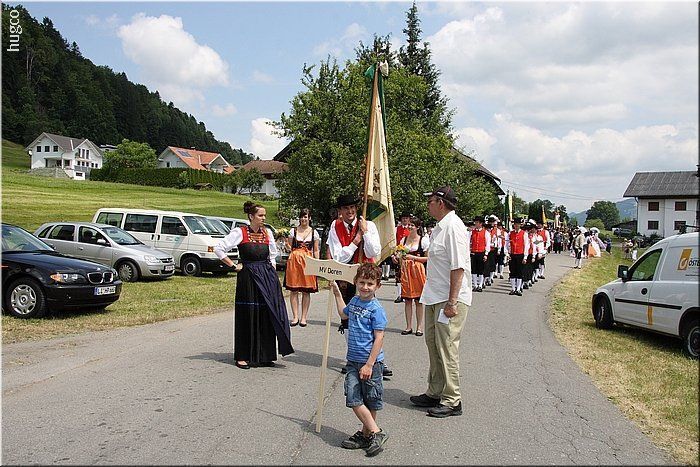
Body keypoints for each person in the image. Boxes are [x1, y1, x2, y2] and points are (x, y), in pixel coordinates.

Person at [410, 186, 471, 418]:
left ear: (441, 203)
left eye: (431, 201)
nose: (428, 205)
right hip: (435, 295)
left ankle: (452, 399)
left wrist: (452, 302)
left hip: (449, 298)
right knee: (433, 344)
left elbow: (458, 267)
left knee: (447, 347)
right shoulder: (440, 227)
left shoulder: (453, 227)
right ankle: (435, 391)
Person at [214, 201, 294, 369]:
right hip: (248, 277)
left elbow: (272, 255)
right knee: (247, 314)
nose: (263, 218)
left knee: (266, 314)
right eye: (260, 215)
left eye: (264, 215)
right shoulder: (240, 232)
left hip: (266, 277)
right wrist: (233, 266)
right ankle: (243, 356)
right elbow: (218, 248)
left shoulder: (267, 233)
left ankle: (265, 355)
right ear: (251, 216)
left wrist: (272, 273)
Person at [326, 193, 393, 378]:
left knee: (368, 318)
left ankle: (376, 360)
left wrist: (365, 233)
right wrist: (356, 241)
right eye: (345, 208)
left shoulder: (368, 225)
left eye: (352, 207)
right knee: (348, 319)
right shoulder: (335, 226)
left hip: (365, 277)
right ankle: (354, 358)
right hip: (346, 278)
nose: (350, 211)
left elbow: (373, 252)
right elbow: (339, 257)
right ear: (340, 211)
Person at [330, 263, 388, 457]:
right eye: (362, 282)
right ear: (356, 282)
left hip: (370, 363)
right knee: (353, 397)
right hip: (353, 360)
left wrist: (369, 364)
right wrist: (337, 293)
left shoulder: (376, 309)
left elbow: (379, 338)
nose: (365, 287)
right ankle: (372, 433)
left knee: (370, 400)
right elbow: (343, 314)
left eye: (370, 283)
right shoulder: (354, 301)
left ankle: (370, 433)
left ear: (377, 286)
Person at [284, 208, 320, 327]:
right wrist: (286, 244)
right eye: (302, 216)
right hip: (294, 262)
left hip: (308, 262)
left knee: (306, 290)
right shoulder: (293, 231)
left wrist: (317, 263)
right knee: (294, 290)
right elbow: (289, 247)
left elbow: (316, 249)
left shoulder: (314, 233)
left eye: (306, 216)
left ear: (309, 218)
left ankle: (304, 317)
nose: (303, 219)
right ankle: (295, 316)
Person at [394, 216, 429, 336]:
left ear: (417, 227)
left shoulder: (423, 240)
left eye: (412, 225)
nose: (409, 227)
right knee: (407, 300)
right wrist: (396, 257)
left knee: (418, 300)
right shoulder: (403, 240)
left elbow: (427, 258)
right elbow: (398, 254)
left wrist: (413, 257)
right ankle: (408, 326)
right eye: (408, 224)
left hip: (417, 270)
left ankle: (419, 327)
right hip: (405, 270)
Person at [505, 218, 529, 295]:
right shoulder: (510, 234)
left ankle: (518, 289)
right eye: (515, 224)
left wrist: (525, 257)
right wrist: (507, 254)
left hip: (520, 254)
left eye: (518, 224)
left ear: (520, 225)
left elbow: (526, 246)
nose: (516, 226)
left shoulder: (524, 234)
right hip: (512, 255)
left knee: (519, 272)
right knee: (512, 272)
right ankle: (513, 289)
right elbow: (506, 244)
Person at [392, 212, 412, 302]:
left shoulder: (411, 228)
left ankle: (409, 293)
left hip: (408, 254)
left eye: (406, 218)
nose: (405, 220)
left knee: (409, 275)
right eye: (403, 218)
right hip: (398, 254)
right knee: (399, 275)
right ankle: (400, 294)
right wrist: (393, 255)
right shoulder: (396, 229)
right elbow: (393, 242)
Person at [469, 215, 490, 292]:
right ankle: (475, 285)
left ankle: (480, 285)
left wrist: (486, 254)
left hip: (481, 252)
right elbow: (468, 242)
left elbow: (487, 244)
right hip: (474, 252)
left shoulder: (486, 232)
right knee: (474, 269)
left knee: (481, 269)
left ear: (481, 223)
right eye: (475, 222)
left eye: (477, 222)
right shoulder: (472, 232)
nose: (475, 223)